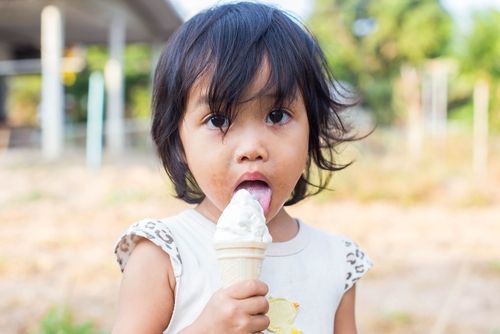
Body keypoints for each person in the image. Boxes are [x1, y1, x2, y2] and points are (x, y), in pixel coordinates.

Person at [112, 2, 372, 333]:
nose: (251, 148)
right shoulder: (163, 254)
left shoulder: (336, 262)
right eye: (218, 119)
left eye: (277, 115)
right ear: (179, 143)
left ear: (313, 129)